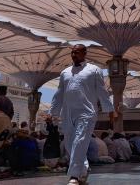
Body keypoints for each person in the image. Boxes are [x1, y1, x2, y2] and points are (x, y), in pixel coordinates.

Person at [49, 44, 115, 185]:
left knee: (79, 141)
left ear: (85, 53)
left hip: (86, 112)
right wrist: (53, 112)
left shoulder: (94, 70)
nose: (73, 55)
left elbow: (102, 92)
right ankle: (83, 170)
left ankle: (74, 177)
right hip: (67, 113)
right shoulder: (65, 72)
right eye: (72, 52)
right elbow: (59, 93)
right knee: (69, 143)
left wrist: (110, 110)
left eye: (77, 52)